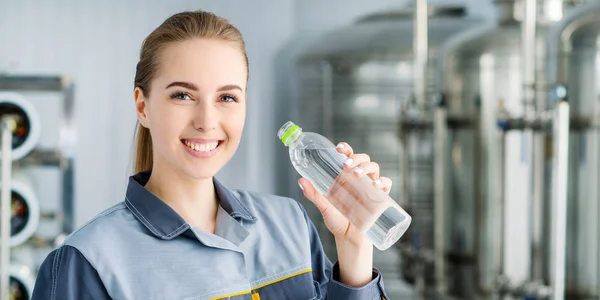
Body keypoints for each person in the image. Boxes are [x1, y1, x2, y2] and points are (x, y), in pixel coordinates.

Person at [31, 10, 393, 300]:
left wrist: (355, 249)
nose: (207, 121)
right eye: (183, 95)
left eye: (227, 98)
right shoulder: (87, 262)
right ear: (142, 106)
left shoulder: (290, 224)